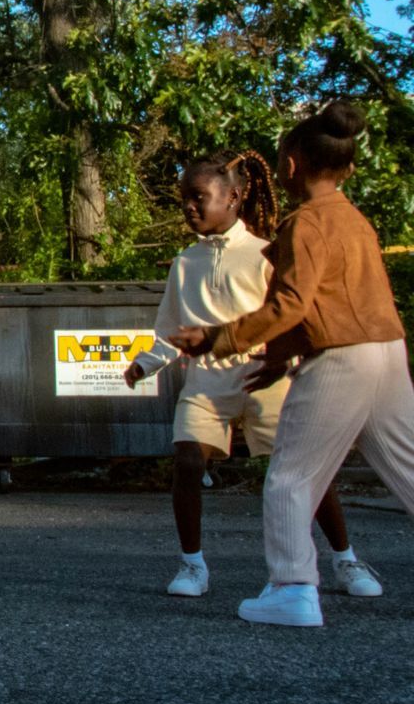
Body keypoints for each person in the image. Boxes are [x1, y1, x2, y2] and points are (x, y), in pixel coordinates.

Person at [174, 102, 414, 627]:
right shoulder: (356, 221)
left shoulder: (304, 223)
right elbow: (339, 298)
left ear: (289, 166)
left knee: (290, 476)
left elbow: (291, 305)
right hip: (388, 354)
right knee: (408, 467)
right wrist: (278, 357)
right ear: (348, 167)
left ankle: (292, 589)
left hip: (340, 359)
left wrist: (218, 338)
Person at [126, 150, 379, 599]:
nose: (189, 206)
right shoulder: (184, 264)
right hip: (206, 380)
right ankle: (192, 565)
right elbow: (171, 331)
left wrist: (289, 359)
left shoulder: (266, 253)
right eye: (184, 198)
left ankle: (346, 558)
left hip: (267, 375)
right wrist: (147, 362)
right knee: (187, 462)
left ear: (234, 198)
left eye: (198, 197)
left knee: (305, 472)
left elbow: (291, 315)